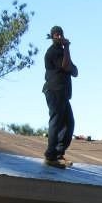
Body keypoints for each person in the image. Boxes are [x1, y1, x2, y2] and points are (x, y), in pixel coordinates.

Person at [42, 25, 78, 168]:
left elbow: (75, 71)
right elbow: (66, 67)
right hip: (54, 91)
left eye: (60, 34)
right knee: (56, 122)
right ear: (52, 37)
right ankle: (50, 156)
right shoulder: (53, 52)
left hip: (63, 94)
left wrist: (68, 60)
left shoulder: (62, 52)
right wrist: (67, 48)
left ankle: (58, 154)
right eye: (55, 35)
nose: (58, 36)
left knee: (69, 123)